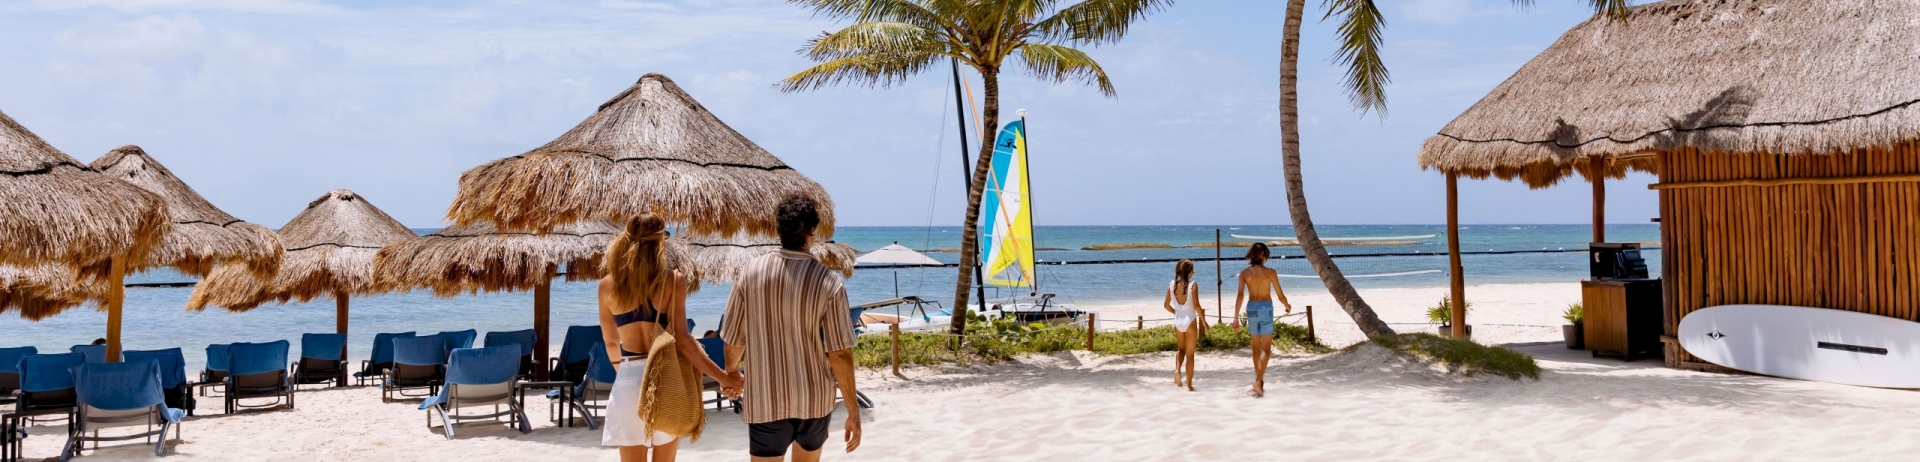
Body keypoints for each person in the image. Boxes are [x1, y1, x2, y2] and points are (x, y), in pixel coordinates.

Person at [721, 195, 862, 462]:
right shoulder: (828, 281)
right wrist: (853, 411)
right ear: (813, 231)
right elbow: (839, 353)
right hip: (814, 398)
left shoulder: (750, 272)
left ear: (779, 230)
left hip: (766, 397)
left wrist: (731, 372)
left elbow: (734, 338)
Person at [598, 213, 741, 461]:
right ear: (661, 242)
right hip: (666, 377)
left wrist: (628, 374)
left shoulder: (607, 285)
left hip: (628, 380)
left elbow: (611, 343)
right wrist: (724, 378)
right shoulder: (673, 281)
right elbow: (683, 341)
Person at [1233, 243, 1291, 398]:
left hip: (1251, 307)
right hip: (1266, 308)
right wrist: (1287, 305)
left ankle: (1258, 380)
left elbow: (1240, 295)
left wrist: (1235, 317)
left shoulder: (1244, 273)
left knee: (1255, 347)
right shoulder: (1270, 272)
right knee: (1265, 348)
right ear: (1264, 256)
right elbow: (1280, 294)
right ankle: (1258, 380)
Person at [1162, 260, 1203, 391]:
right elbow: (1196, 305)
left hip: (1178, 321)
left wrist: (1176, 312)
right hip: (1190, 321)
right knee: (1190, 354)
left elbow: (1166, 305)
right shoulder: (1193, 285)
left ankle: (1177, 370)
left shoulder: (1172, 285)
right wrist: (1204, 321)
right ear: (1190, 271)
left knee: (1181, 350)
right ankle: (1189, 385)